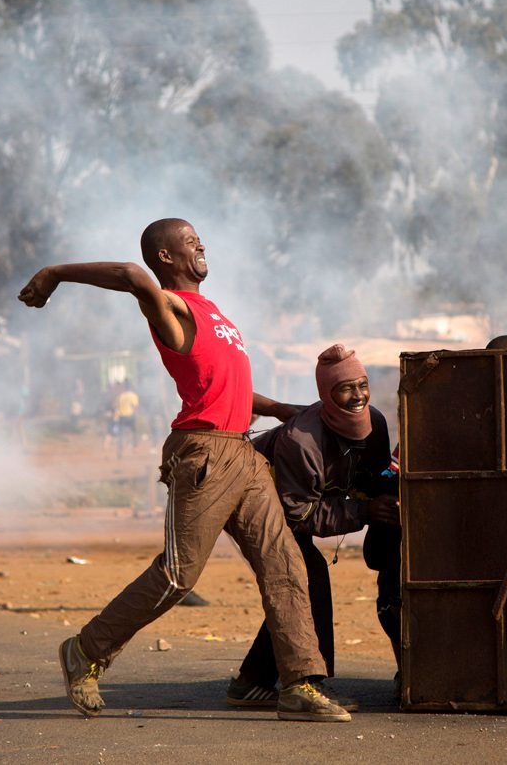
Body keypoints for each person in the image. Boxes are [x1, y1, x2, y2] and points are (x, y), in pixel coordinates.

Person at [18, 218, 349, 723]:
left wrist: (281, 408)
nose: (201, 243)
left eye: (199, 237)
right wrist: (55, 272)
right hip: (204, 455)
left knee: (285, 563)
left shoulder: (213, 312)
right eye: (189, 239)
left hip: (242, 451)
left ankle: (299, 684)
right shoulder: (169, 309)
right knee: (178, 575)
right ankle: (85, 650)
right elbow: (131, 274)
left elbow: (223, 384)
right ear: (166, 258)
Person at [227, 345, 399, 710]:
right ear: (326, 394)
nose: (358, 396)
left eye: (363, 385)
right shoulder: (301, 440)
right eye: (346, 388)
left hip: (290, 504)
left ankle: (252, 681)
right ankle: (312, 683)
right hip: (251, 502)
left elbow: (375, 478)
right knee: (307, 574)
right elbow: (298, 514)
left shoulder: (377, 423)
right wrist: (364, 511)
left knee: (295, 582)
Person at [112, 381, 139, 458]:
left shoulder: (120, 396)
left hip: (122, 417)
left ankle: (120, 451)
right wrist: (136, 416)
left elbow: (115, 406)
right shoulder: (133, 395)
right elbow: (136, 407)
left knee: (121, 435)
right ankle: (135, 447)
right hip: (130, 416)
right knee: (134, 431)